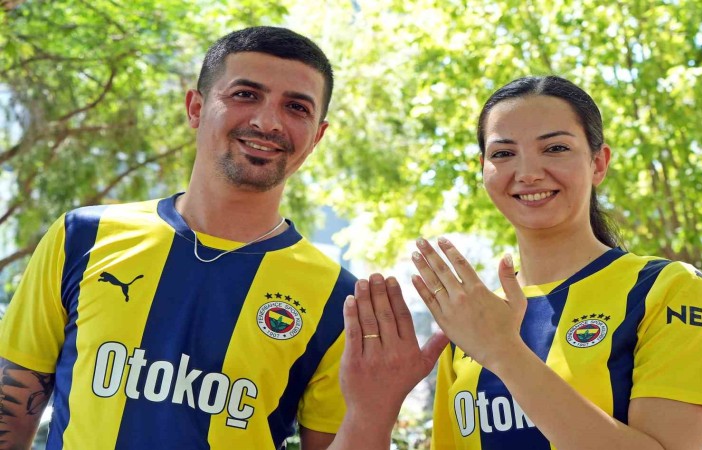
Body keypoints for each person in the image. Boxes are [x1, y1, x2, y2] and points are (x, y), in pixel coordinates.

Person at [0, 26, 445, 450]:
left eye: (297, 107)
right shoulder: (82, 237)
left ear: (317, 137)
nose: (268, 122)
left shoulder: (340, 300)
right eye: (245, 94)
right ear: (195, 108)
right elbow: (13, 412)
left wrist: (376, 408)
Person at [406, 76, 702, 449]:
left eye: (555, 148)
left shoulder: (668, 289)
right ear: (483, 169)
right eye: (503, 153)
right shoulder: (474, 318)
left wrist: (505, 353)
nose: (528, 173)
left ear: (599, 163)